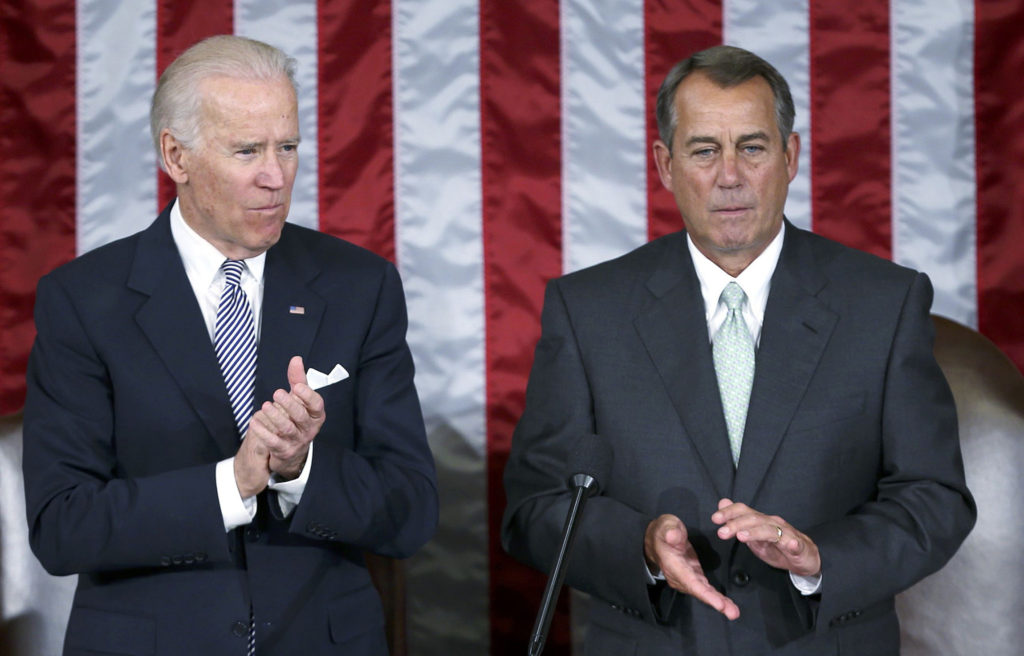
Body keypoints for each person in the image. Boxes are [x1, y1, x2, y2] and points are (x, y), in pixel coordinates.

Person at [502, 45, 975, 655]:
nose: (730, 175)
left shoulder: (883, 304)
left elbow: (935, 497)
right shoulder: (589, 309)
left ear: (790, 157)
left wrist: (819, 558)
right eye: (705, 150)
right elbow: (537, 507)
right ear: (666, 165)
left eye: (751, 147)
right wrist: (642, 547)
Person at [22, 35, 437, 655]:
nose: (276, 177)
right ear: (176, 156)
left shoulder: (361, 287)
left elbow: (410, 512)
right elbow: (62, 526)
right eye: (247, 151)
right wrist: (233, 483)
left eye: (288, 147)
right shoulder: (84, 301)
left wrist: (300, 469)